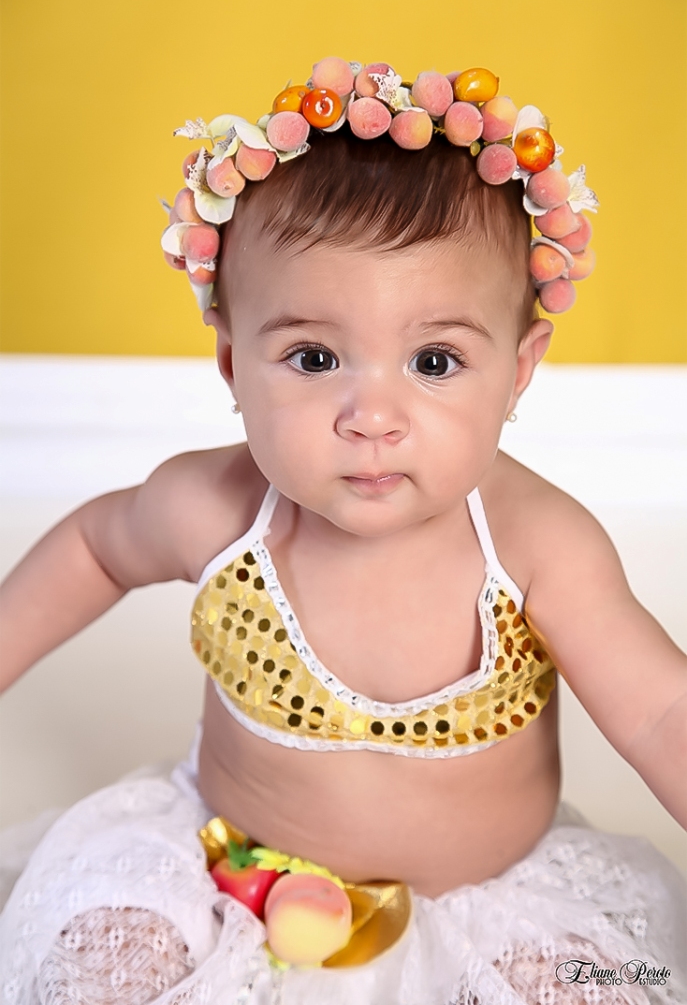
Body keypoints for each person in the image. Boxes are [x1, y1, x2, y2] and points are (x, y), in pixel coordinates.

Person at [0, 58, 685, 1005]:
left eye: (433, 361)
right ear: (233, 364)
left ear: (518, 371)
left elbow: (658, 712)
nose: (371, 418)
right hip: (226, 875)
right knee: (98, 963)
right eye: (314, 357)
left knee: (591, 985)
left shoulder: (537, 547)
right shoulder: (217, 510)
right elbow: (92, 548)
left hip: (489, 900)